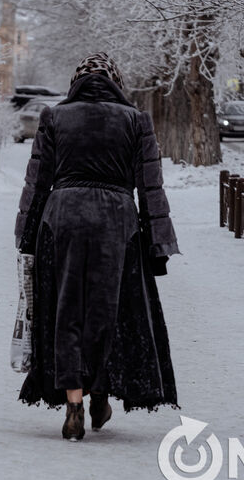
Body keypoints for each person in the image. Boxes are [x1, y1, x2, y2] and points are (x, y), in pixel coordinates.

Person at [14, 53, 179, 441]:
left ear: (76, 83)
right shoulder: (136, 119)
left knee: (66, 309)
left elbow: (37, 182)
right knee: (111, 310)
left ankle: (74, 403)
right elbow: (151, 185)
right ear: (115, 82)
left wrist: (27, 234)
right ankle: (101, 393)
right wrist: (158, 243)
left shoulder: (54, 117)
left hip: (62, 218)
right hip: (116, 221)